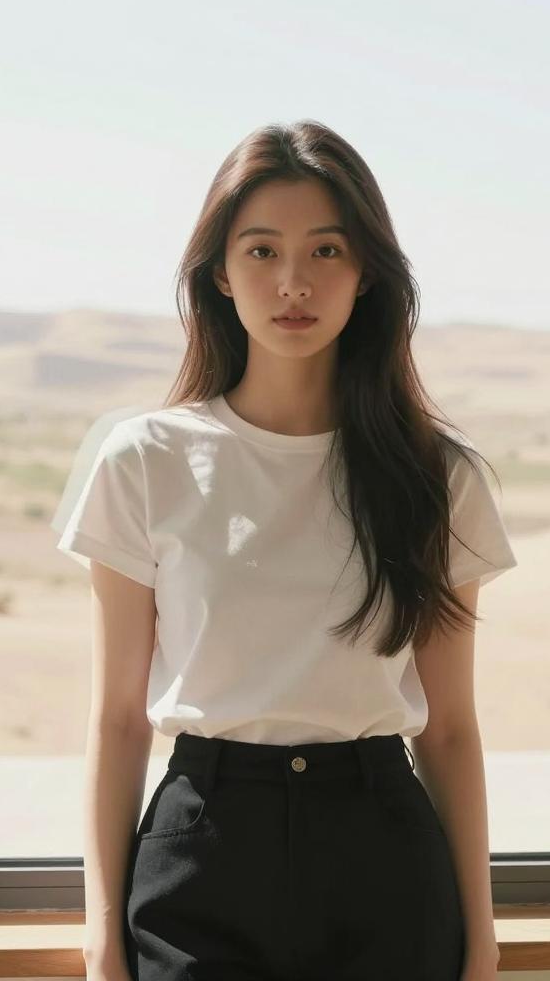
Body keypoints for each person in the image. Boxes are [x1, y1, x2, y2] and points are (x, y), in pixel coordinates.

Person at [53, 119, 517, 981]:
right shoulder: (145, 460)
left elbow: (449, 729)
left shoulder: (437, 477)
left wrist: (480, 936)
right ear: (219, 276)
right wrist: (101, 932)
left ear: (368, 270)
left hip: (387, 864)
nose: (293, 282)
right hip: (201, 860)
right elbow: (119, 718)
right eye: (261, 251)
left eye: (326, 250)